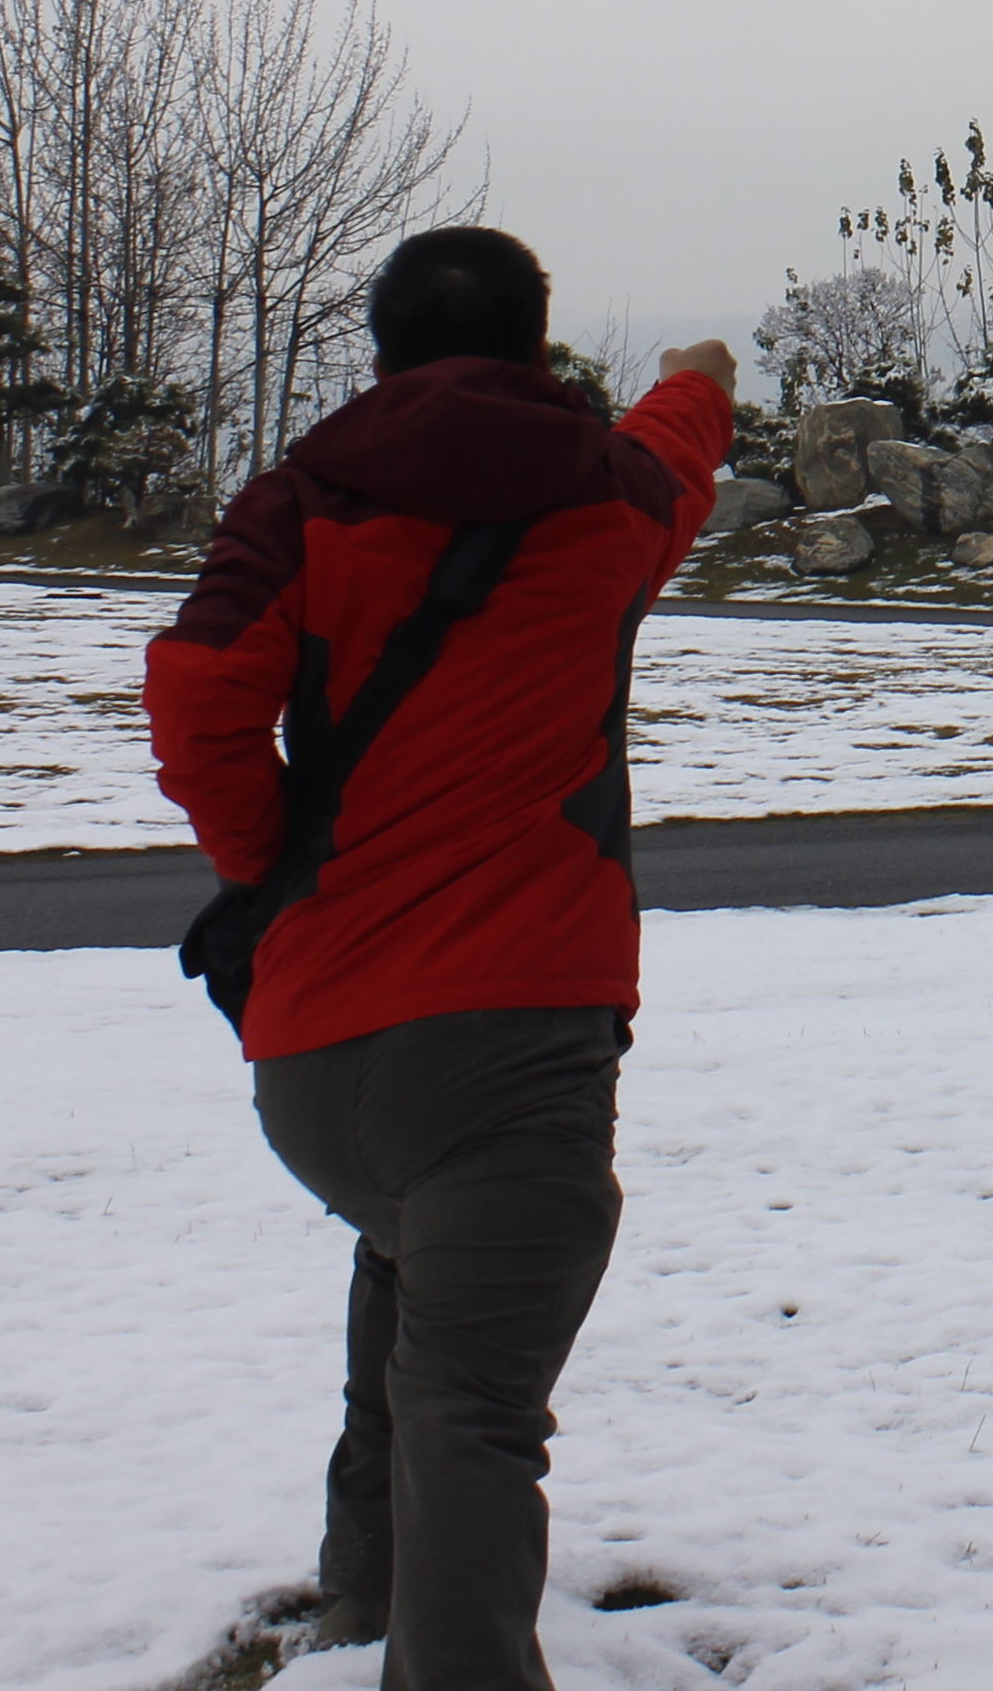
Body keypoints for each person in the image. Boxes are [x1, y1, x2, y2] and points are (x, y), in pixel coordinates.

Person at [144, 223, 735, 1691]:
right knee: (475, 1402)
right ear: (539, 347)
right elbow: (678, 437)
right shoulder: (608, 501)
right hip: (512, 1050)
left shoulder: (295, 505)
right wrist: (700, 377)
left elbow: (201, 691)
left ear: (382, 348)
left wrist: (265, 864)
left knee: (413, 1284)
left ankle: (365, 1611)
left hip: (314, 1057)